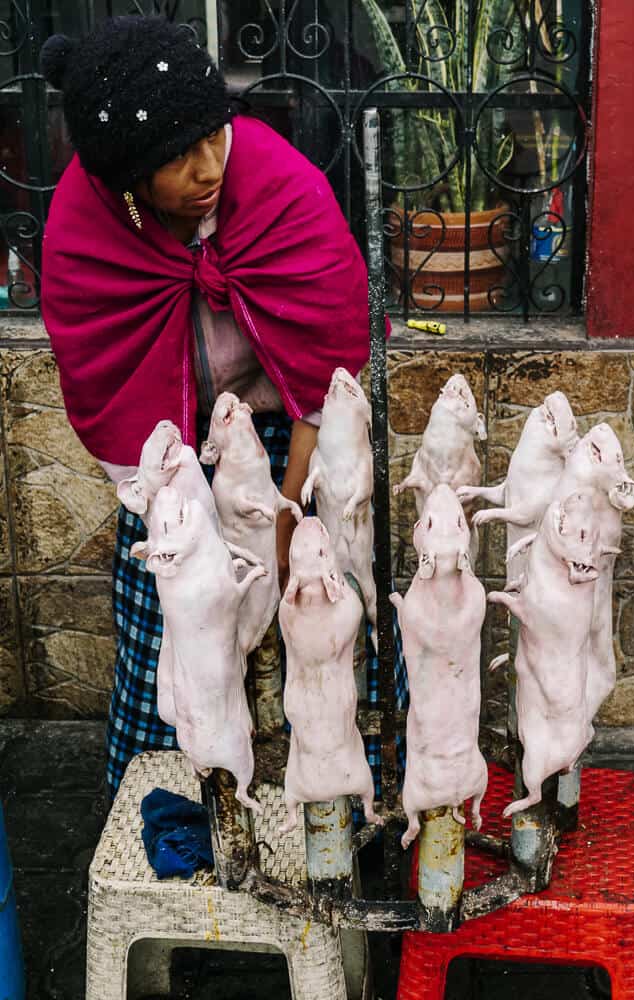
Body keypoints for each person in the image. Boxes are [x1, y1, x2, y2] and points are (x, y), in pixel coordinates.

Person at [38, 15, 400, 796]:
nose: (207, 168)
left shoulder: (275, 181)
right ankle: (165, 799)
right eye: (176, 158)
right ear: (126, 176)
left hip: (284, 434)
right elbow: (104, 377)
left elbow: (325, 365)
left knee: (326, 608)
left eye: (211, 137)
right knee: (176, 626)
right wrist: (188, 521)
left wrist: (284, 515)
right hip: (168, 453)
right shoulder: (84, 227)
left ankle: (349, 798)